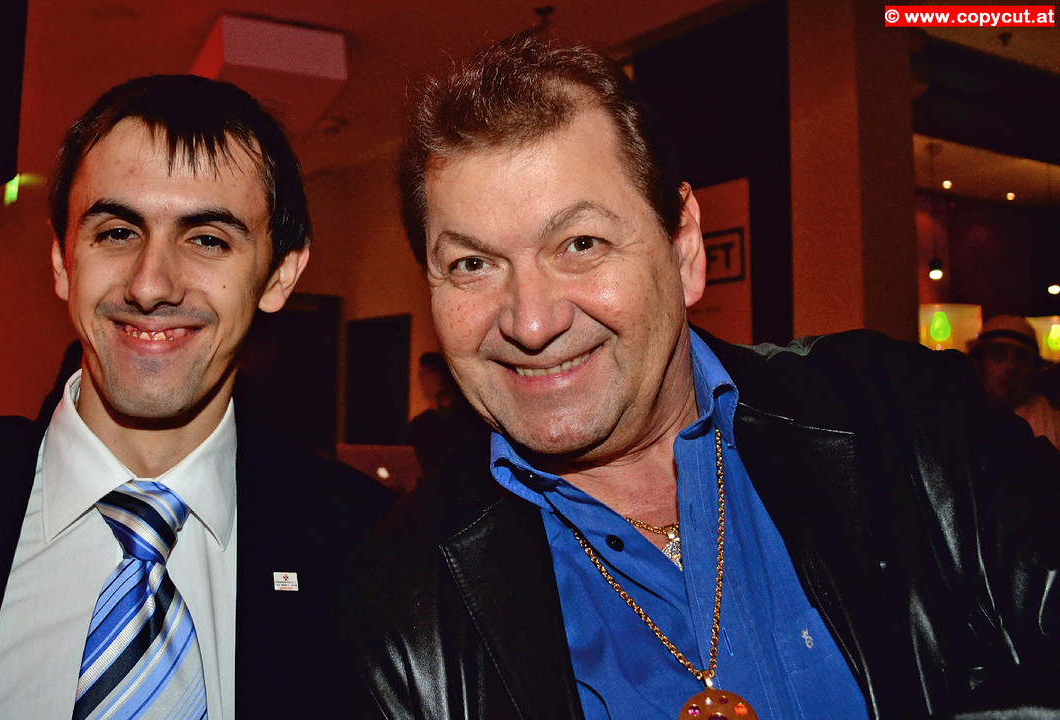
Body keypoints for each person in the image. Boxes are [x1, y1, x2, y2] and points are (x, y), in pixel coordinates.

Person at [339, 36, 1060, 719]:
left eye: (581, 243)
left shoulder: (905, 417)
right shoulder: (398, 601)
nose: (531, 323)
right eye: (472, 264)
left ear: (684, 247)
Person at [0, 75, 394, 719]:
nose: (150, 285)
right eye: (118, 232)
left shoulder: (368, 555)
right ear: (61, 260)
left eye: (208, 239)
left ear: (279, 275)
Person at [970, 314, 1060, 447]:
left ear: (1034, 369)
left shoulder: (1055, 426)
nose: (1010, 366)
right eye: (998, 355)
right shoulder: (957, 420)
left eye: (1022, 358)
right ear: (978, 362)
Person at [407, 351, 486, 480]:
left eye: (442, 395)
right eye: (428, 396)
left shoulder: (474, 422)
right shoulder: (420, 425)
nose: (435, 405)